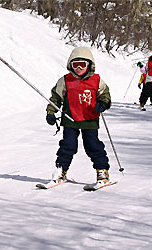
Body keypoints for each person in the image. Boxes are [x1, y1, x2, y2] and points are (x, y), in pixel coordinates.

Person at [45, 47, 112, 187]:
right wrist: (51, 112)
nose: (79, 68)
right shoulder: (65, 80)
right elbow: (55, 98)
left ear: (89, 65)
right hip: (70, 119)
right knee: (67, 145)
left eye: (83, 64)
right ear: (71, 65)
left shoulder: (96, 80)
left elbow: (105, 95)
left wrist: (103, 103)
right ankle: (61, 171)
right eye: (76, 65)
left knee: (93, 146)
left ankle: (102, 172)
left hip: (90, 119)